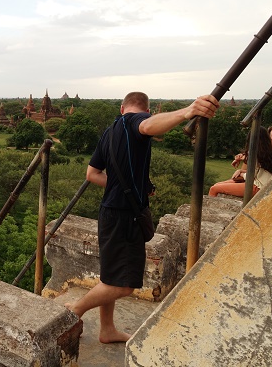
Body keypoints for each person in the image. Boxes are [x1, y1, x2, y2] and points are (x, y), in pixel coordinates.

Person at [64, 91, 219, 343]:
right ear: (143, 109)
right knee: (124, 284)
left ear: (121, 107)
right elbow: (147, 125)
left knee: (110, 276)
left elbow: (92, 174)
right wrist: (187, 111)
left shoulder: (110, 130)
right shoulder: (134, 121)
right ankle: (76, 310)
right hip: (124, 217)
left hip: (109, 212)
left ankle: (107, 329)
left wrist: (123, 186)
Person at [209, 126, 272, 197]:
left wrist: (241, 174)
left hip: (258, 186)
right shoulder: (268, 152)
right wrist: (241, 171)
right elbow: (258, 171)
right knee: (217, 185)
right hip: (260, 184)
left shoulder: (255, 153)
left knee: (214, 189)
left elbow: (251, 176)